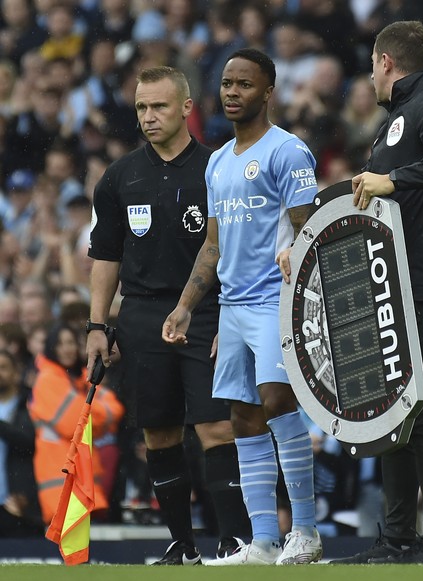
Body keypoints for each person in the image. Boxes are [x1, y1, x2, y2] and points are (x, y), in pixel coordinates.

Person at [162, 48, 322, 566]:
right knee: (242, 418)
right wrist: (187, 305)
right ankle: (261, 541)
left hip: (276, 299)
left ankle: (306, 531)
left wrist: (295, 259)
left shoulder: (288, 152)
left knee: (278, 402)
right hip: (231, 306)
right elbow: (212, 244)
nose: (233, 92)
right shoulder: (216, 162)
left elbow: (309, 231)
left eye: (245, 84)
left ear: (268, 91)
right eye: (227, 83)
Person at [331, 20, 423, 565]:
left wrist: (394, 180)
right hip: (389, 283)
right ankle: (396, 538)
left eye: (372, 65)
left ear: (386, 62)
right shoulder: (394, 121)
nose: (371, 75)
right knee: (388, 412)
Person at [86, 65, 250, 566]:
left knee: (216, 427)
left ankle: (236, 541)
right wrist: (97, 326)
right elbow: (106, 256)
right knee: (157, 431)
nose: (149, 117)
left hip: (206, 312)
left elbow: (236, 249)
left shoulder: (217, 167)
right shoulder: (119, 177)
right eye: (141, 108)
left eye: (159, 106)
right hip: (140, 315)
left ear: (185, 108)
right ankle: (182, 544)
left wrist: (229, 317)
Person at [28, 322, 124, 525]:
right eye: (60, 343)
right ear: (51, 348)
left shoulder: (81, 379)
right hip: (59, 478)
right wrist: (93, 406)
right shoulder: (47, 380)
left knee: (82, 548)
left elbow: (115, 410)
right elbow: (74, 425)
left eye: (71, 342)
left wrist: (88, 406)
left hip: (81, 474)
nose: (67, 348)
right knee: (69, 547)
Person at [0, 349, 43, 537]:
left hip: (17, 503)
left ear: (16, 372)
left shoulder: (28, 405)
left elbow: (28, 442)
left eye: (3, 368)